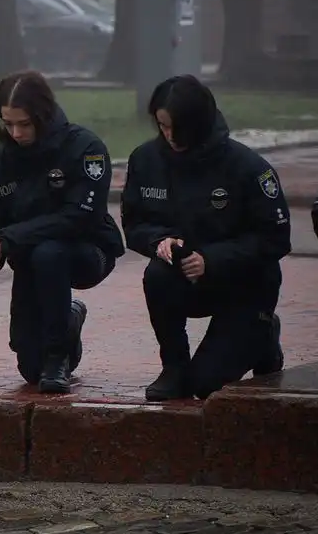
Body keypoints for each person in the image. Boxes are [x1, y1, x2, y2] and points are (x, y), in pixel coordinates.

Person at [121, 74, 289, 401]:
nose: (169, 136)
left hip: (245, 286)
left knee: (206, 387)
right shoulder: (145, 160)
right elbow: (135, 223)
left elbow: (276, 238)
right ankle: (174, 366)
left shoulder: (247, 167)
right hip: (184, 277)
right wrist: (160, 241)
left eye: (176, 128)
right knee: (157, 274)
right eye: (162, 126)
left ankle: (264, 334)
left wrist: (211, 260)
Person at [0, 70, 124, 394]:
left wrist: (9, 239)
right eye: (7, 124)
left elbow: (79, 218)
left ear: (44, 114)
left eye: (24, 124)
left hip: (86, 250)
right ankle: (67, 321)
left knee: (49, 253)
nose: (16, 133)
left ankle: (58, 354)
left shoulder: (84, 148)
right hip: (28, 257)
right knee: (30, 367)